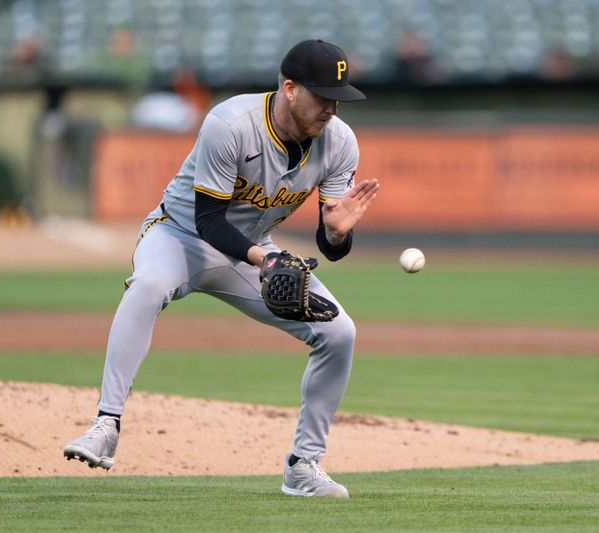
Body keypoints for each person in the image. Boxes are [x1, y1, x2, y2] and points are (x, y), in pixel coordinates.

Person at [63, 39, 380, 498]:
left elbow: (331, 244)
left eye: (338, 98)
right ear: (290, 89)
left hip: (255, 252)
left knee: (339, 332)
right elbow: (207, 219)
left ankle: (303, 466)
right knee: (149, 284)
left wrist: (335, 235)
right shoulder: (231, 123)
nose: (332, 108)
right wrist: (264, 259)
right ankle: (105, 425)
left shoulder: (339, 142)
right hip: (179, 236)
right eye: (322, 96)